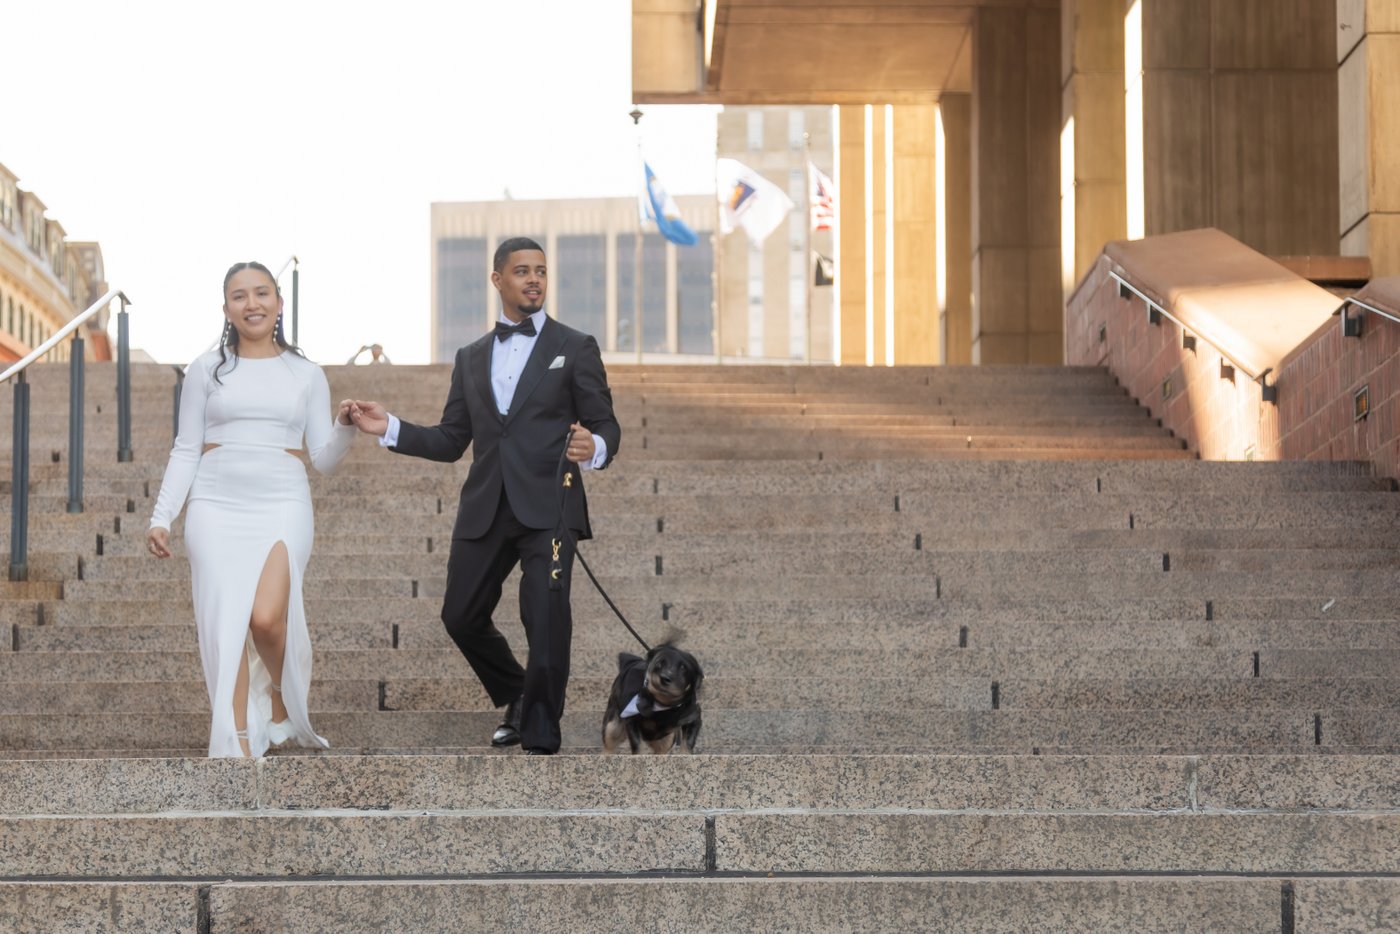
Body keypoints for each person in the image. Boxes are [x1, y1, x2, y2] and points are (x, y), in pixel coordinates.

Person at [347, 237, 620, 755]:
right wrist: (391, 427)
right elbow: (453, 440)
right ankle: (517, 693)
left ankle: (540, 734)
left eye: (541, 270)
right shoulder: (470, 357)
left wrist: (596, 445)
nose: (534, 279)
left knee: (545, 614)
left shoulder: (575, 346)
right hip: (486, 507)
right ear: (498, 279)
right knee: (460, 615)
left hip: (550, 506)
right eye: (522, 271)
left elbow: (605, 422)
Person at [147, 261, 358, 758]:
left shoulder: (305, 373)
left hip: (283, 500)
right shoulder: (205, 368)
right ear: (226, 309)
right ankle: (238, 738)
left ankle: (282, 698)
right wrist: (162, 516)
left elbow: (323, 459)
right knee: (227, 622)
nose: (252, 303)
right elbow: (185, 448)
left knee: (265, 618)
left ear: (279, 303)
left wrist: (345, 426)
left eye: (262, 293)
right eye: (239, 296)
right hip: (214, 503)